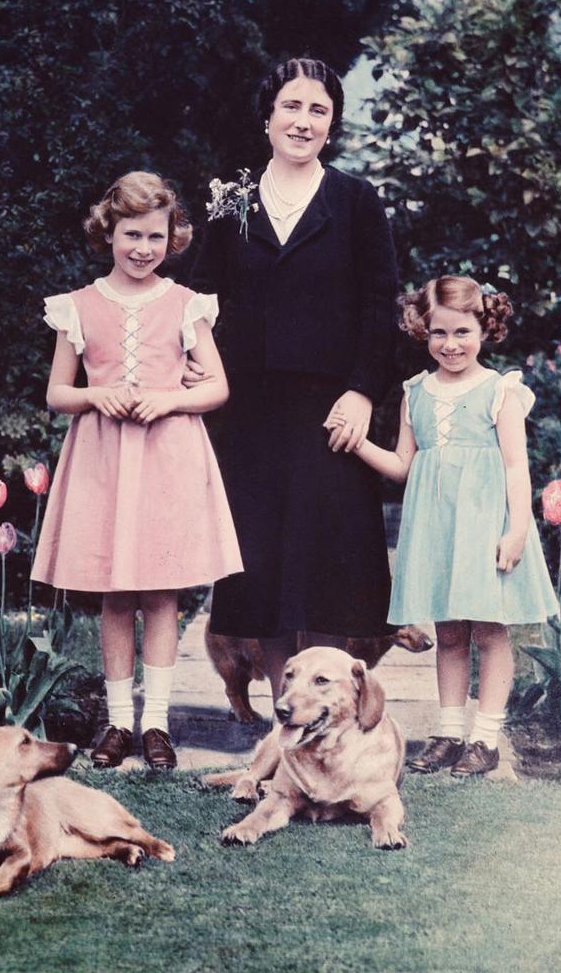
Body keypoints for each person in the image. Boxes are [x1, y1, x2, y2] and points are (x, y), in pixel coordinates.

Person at [189, 57, 399, 700]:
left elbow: (380, 306)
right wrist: (199, 371)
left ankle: (332, 706)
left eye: (318, 110)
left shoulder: (356, 202)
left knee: (331, 563)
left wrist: (363, 391)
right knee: (261, 566)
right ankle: (287, 707)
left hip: (331, 410)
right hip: (247, 415)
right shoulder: (233, 206)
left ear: (331, 126)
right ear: (267, 117)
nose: (302, 121)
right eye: (291, 106)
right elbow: (199, 301)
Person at [31, 172, 242, 770]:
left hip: (166, 457)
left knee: (162, 591)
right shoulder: (79, 306)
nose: (143, 248)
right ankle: (119, 722)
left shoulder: (184, 304)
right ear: (109, 232)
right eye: (131, 235)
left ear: (171, 238)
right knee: (115, 595)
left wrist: (172, 397)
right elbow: (56, 393)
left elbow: (219, 386)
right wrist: (96, 396)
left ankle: (157, 723)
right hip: (104, 458)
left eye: (155, 236)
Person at [330, 275, 558, 777]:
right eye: (439, 334)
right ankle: (450, 732)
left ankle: (486, 737)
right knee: (450, 633)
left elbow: (517, 467)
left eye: (462, 333)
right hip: (436, 528)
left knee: (489, 632)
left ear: (484, 328)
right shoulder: (417, 392)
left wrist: (516, 530)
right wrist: (357, 442)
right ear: (423, 331)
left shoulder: (500, 390)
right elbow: (404, 466)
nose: (450, 345)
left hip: (484, 526)